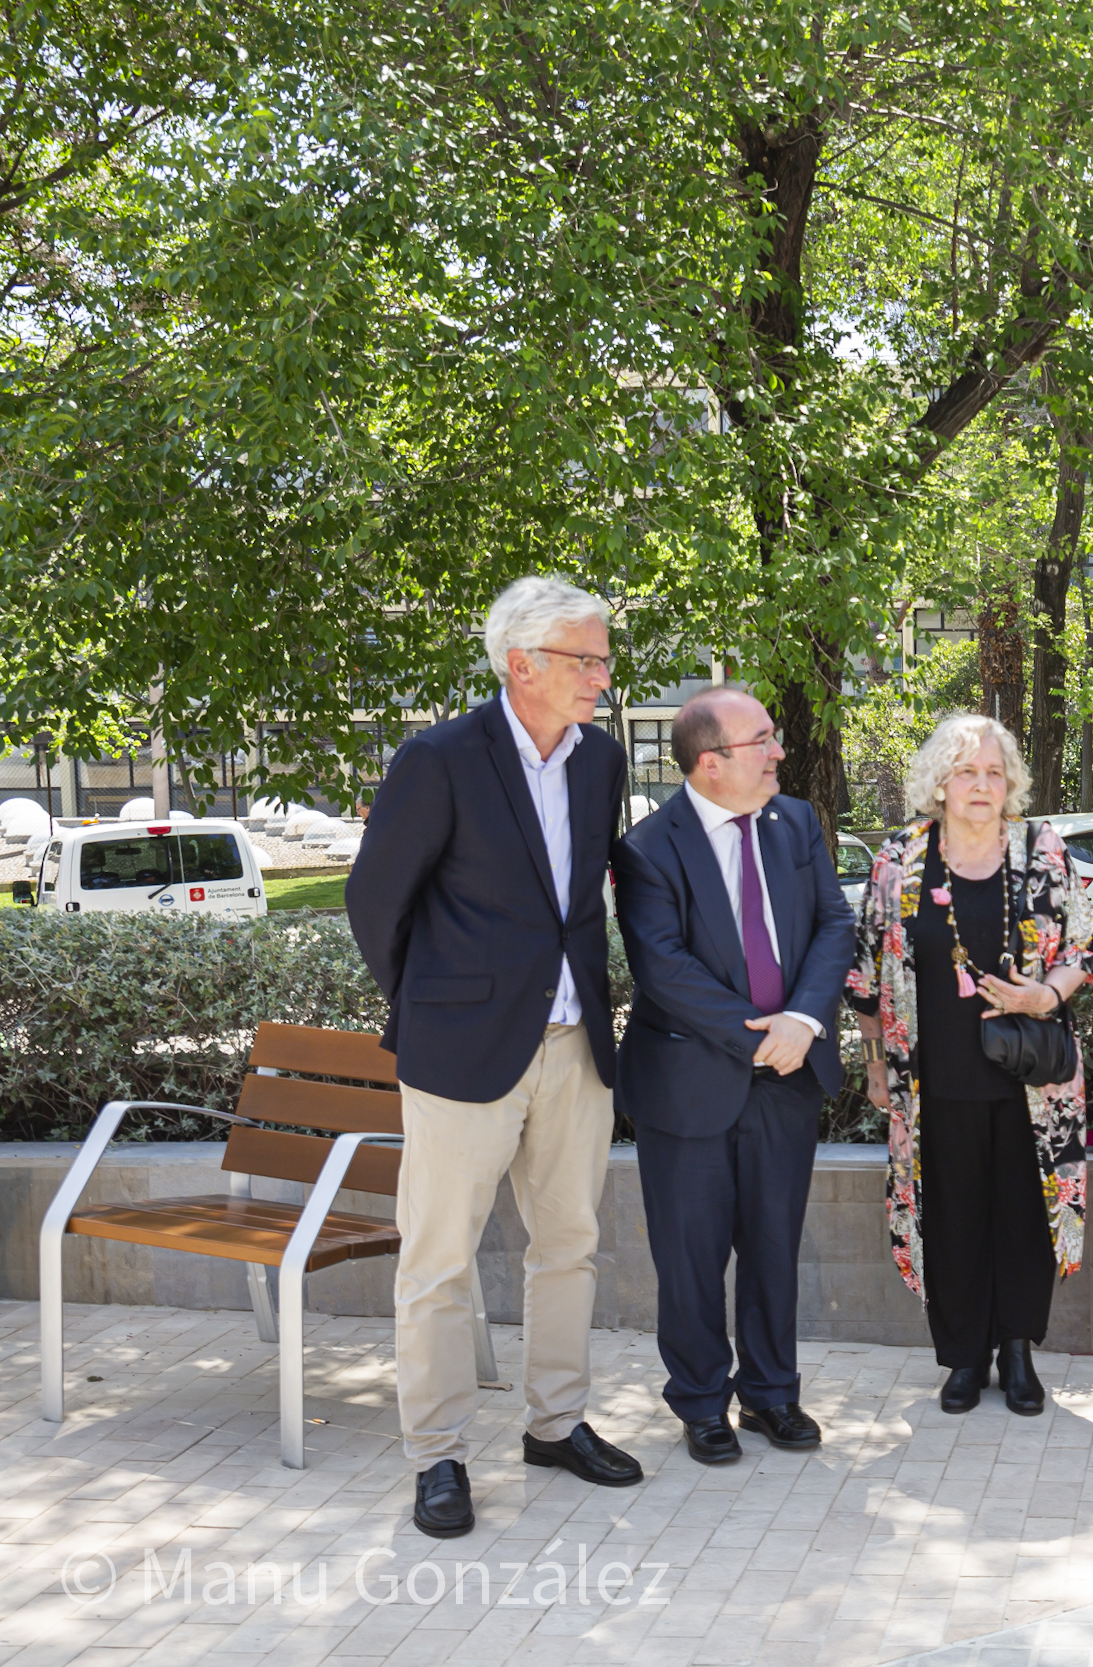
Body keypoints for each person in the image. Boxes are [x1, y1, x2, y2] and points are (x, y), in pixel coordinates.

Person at [345, 576, 640, 1540]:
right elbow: (375, 900)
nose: (601, 676)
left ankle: (556, 1423)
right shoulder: (439, 758)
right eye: (584, 659)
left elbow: (582, 898)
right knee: (439, 1260)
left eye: (602, 658)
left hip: (574, 1044)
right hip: (460, 1049)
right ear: (522, 664)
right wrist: (436, 1001)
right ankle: (437, 1454)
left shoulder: (602, 759)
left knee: (570, 1245)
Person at [612, 687, 855, 1465]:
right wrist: (761, 1036)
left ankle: (772, 1393)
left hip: (788, 1074)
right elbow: (663, 967)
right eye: (763, 741)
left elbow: (833, 923)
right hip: (688, 1082)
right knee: (690, 1255)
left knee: (774, 1244)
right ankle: (700, 1400)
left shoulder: (795, 823)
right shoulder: (648, 848)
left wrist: (803, 1021)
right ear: (711, 762)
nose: (779, 751)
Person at [847, 714, 1093, 1416]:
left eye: (994, 771)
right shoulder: (899, 858)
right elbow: (865, 974)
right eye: (966, 772)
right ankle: (964, 1357)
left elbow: (1083, 949)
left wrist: (1046, 994)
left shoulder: (1042, 849)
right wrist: (876, 1065)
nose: (982, 784)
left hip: (1032, 1083)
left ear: (1009, 782)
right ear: (940, 783)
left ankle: (1017, 1351)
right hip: (933, 1081)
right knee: (951, 1217)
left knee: (1024, 1214)